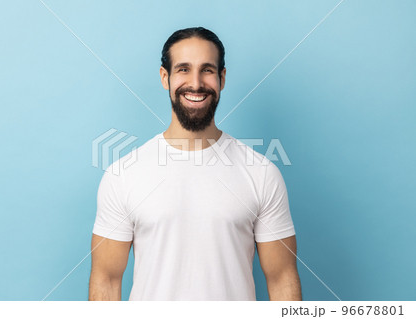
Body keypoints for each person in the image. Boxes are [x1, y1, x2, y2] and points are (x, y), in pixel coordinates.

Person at [89, 27, 302, 301]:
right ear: (165, 77)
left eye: (207, 70)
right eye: (184, 69)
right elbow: (106, 279)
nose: (196, 83)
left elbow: (282, 277)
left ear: (222, 78)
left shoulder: (261, 173)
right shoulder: (123, 174)